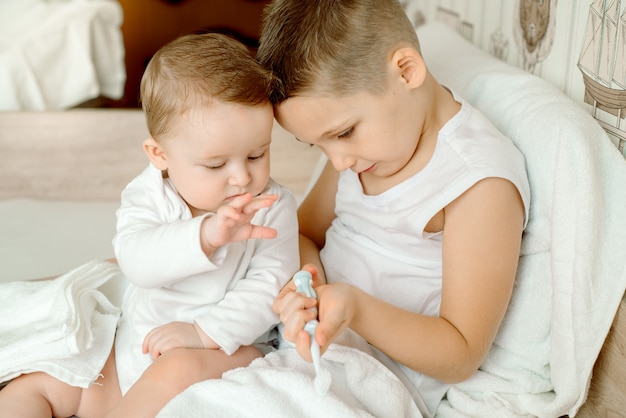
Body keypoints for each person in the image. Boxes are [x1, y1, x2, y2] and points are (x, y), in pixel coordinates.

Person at [0, 32, 299, 418]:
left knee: (177, 368)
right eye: (215, 164)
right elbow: (136, 262)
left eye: (257, 155)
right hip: (134, 345)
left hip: (219, 349)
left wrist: (202, 333)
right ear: (160, 155)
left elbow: (270, 287)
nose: (241, 178)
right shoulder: (148, 196)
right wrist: (205, 236)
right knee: (37, 385)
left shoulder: (273, 206)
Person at [256, 0, 531, 416]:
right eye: (318, 145)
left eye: (344, 132)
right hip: (298, 345)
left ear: (406, 71)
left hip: (368, 384)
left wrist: (354, 308)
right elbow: (305, 233)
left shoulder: (476, 183)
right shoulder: (369, 151)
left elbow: (461, 352)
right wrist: (307, 284)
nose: (337, 162)